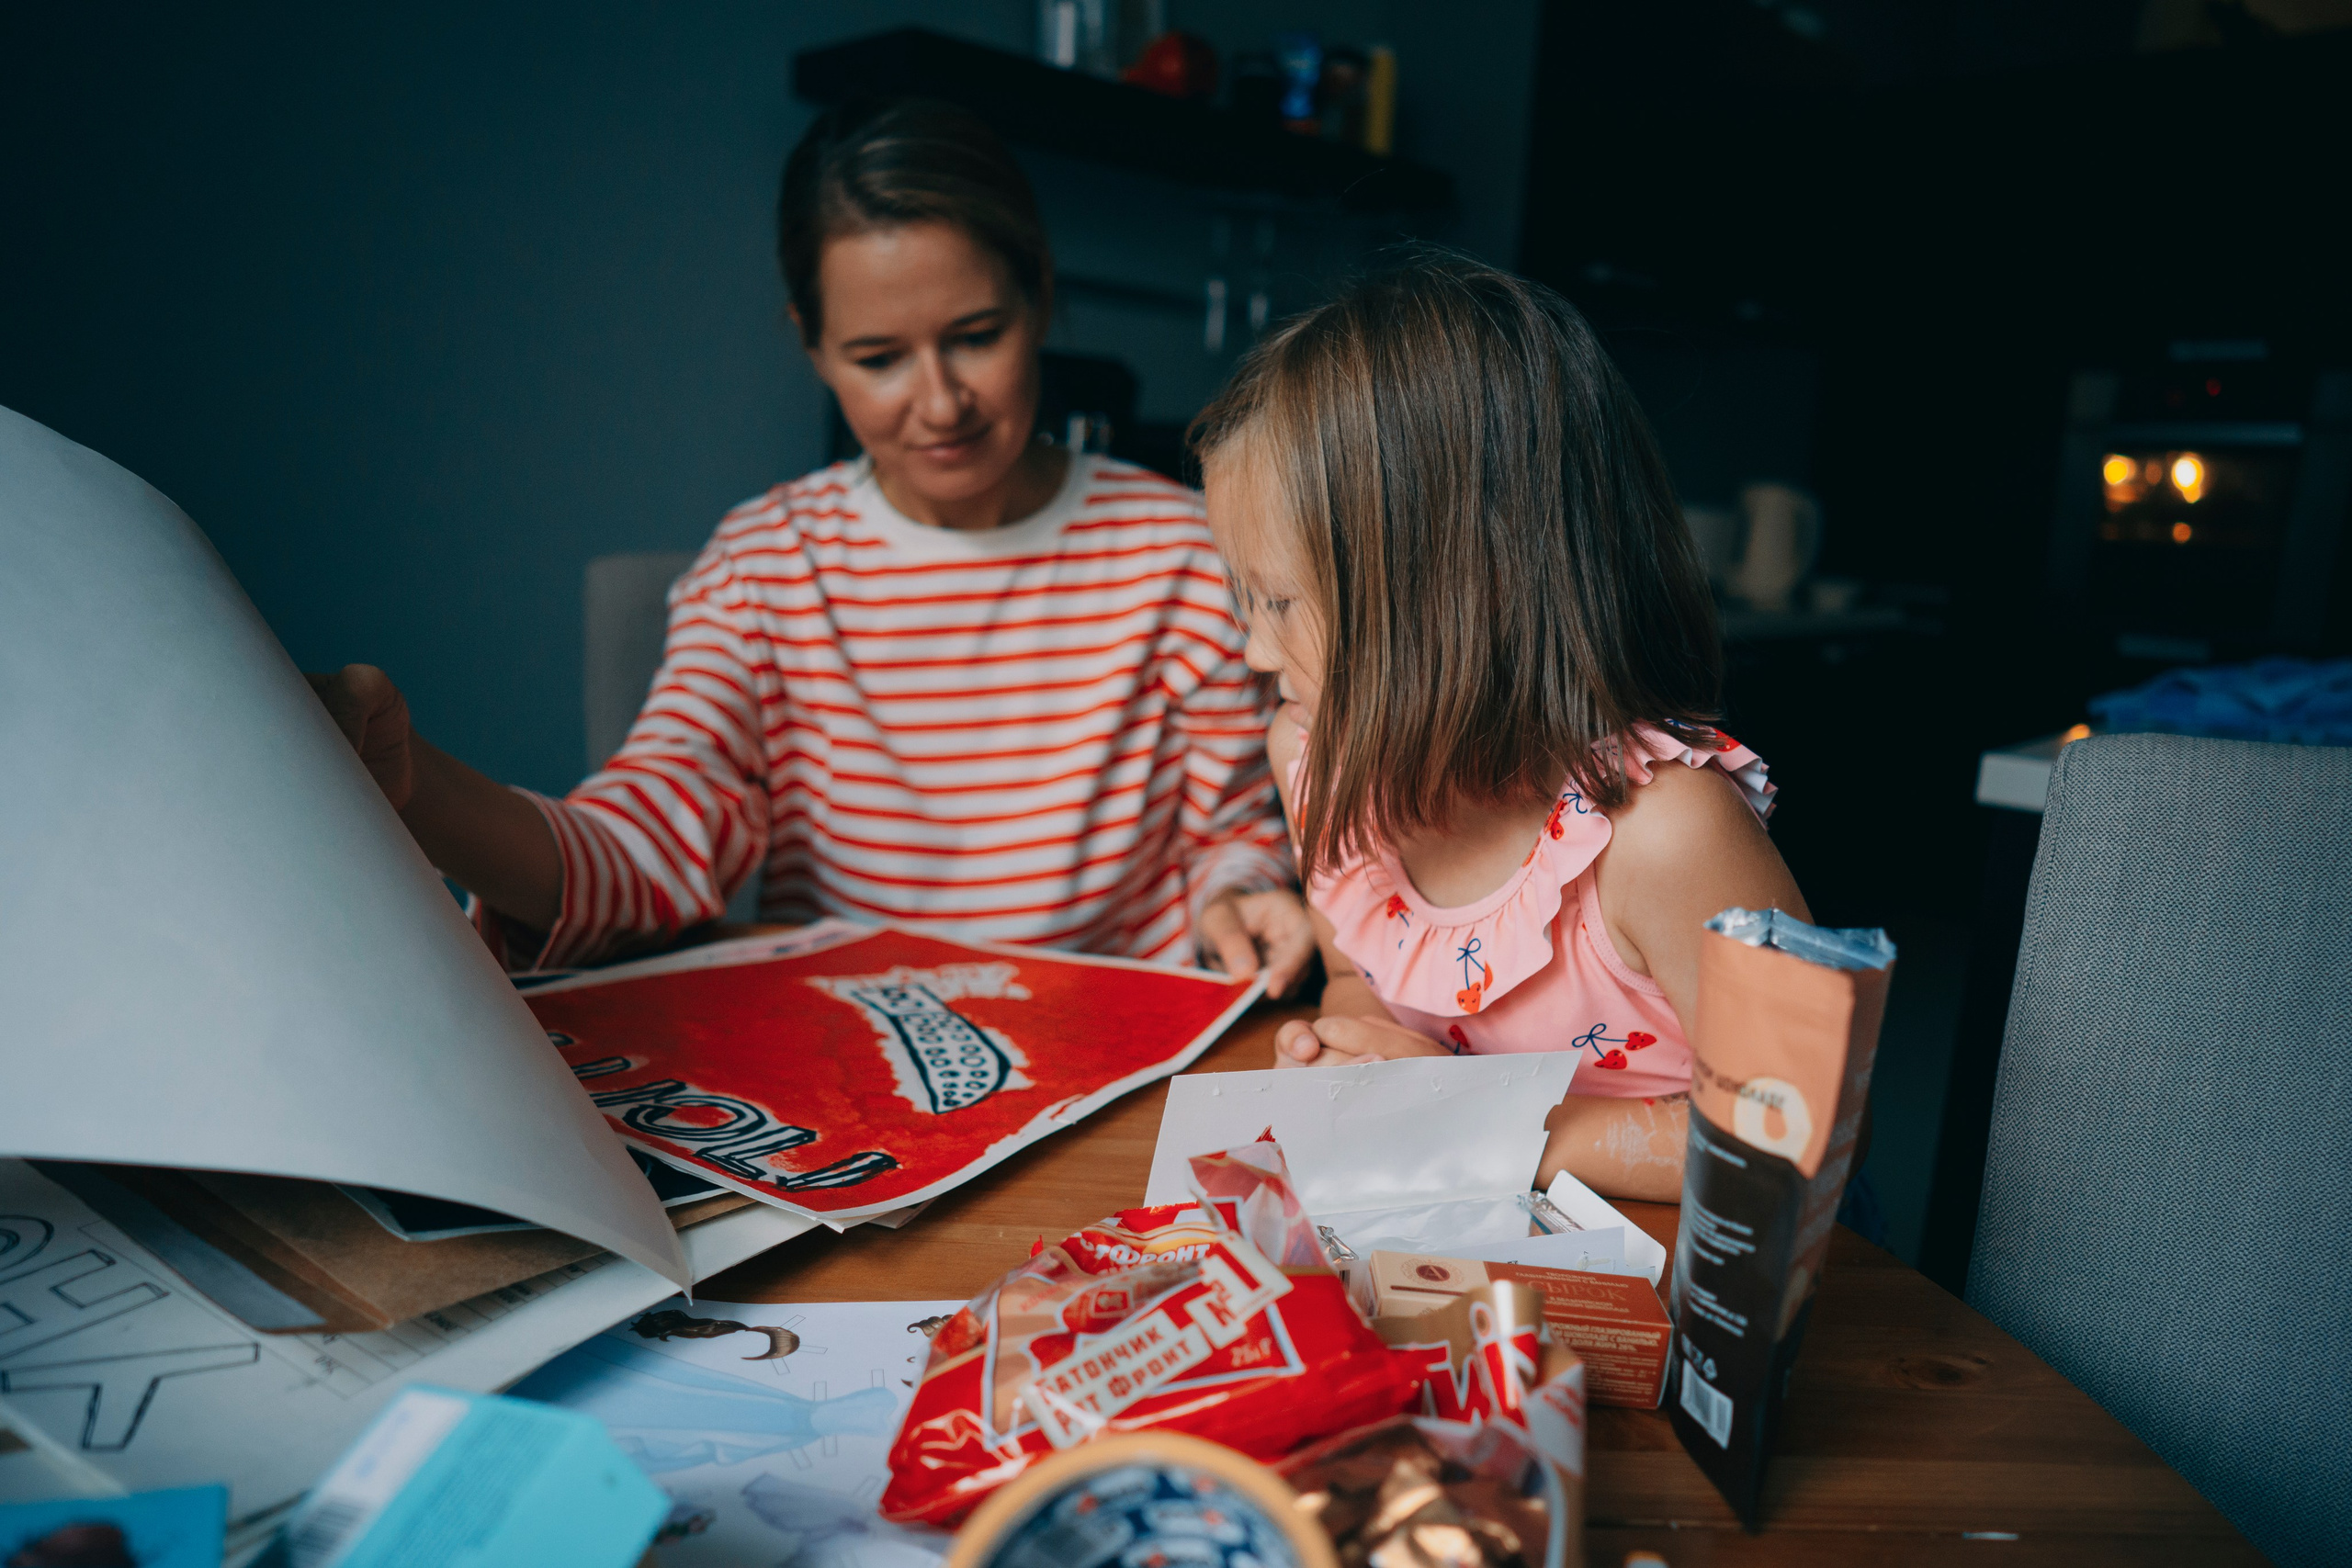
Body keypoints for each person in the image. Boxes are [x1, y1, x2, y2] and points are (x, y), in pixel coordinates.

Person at [310, 98, 1310, 987]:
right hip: (850, 1071)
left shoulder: (1181, 550)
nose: (940, 401)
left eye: (976, 334)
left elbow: (1228, 837)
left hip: (1113, 1064)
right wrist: (417, 792)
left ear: (1039, 296)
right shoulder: (763, 569)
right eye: (878, 357)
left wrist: (1237, 897)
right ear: (812, 344)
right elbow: (650, 834)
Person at [1193, 253, 1809, 1201]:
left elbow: (1788, 1137)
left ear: (1454, 593)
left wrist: (1489, 1120)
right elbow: (1359, 981)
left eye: (1278, 601)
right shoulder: (1312, 757)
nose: (1252, 654)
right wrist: (1350, 1052)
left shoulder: (1667, 835)